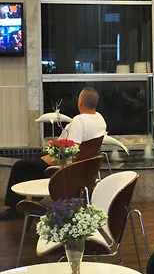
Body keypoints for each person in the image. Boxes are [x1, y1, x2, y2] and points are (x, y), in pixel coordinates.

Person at [0, 87, 107, 220]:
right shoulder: (99, 119)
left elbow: (71, 151)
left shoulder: (80, 120)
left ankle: (14, 210)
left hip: (67, 166)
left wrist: (48, 159)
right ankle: (36, 202)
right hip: (84, 166)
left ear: (80, 102)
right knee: (34, 158)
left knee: (20, 166)